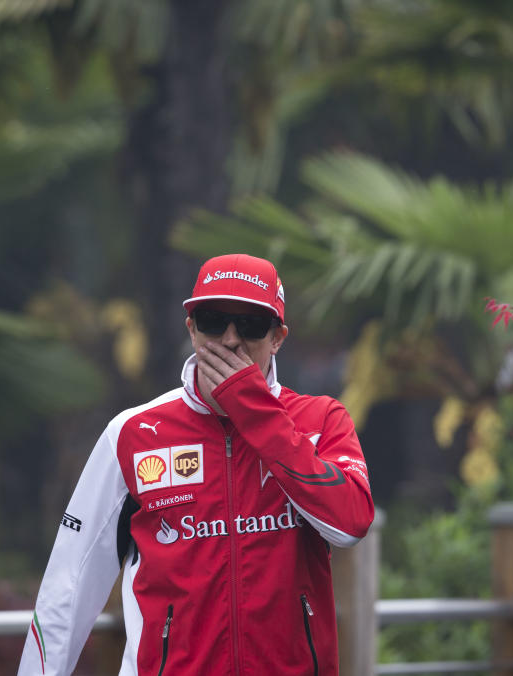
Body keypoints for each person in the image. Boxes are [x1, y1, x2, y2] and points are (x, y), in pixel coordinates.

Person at [18, 253, 374, 676]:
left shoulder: (321, 420)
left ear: (278, 337)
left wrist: (254, 412)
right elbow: (68, 584)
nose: (229, 340)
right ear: (191, 329)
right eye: (212, 320)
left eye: (251, 325)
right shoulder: (131, 433)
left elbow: (350, 524)